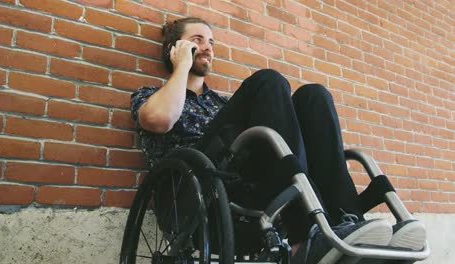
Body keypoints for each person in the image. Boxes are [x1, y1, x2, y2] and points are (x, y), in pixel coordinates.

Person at [130, 17, 425, 263]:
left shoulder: (222, 105)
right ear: (176, 48)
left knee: (314, 96)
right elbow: (160, 120)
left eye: (211, 42)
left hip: (245, 187)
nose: (208, 47)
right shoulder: (148, 95)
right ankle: (305, 234)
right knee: (269, 81)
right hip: (193, 193)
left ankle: (344, 221)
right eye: (198, 39)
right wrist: (182, 65)